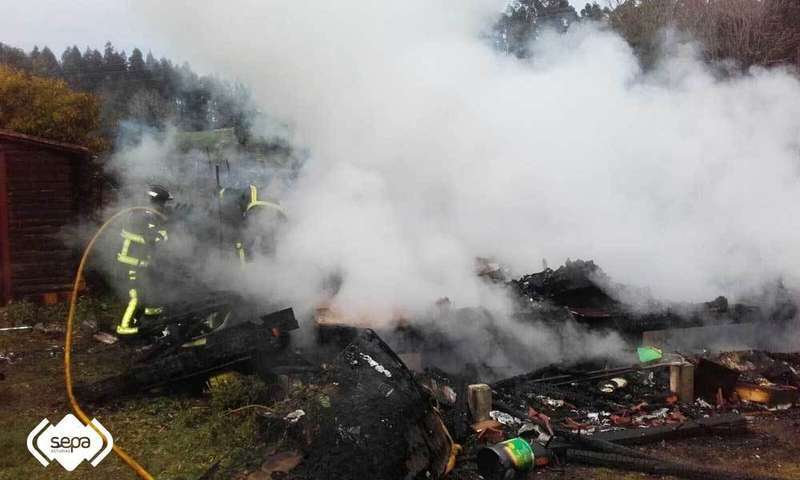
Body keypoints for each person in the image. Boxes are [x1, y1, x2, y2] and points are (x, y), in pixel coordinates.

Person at [115, 184, 172, 336]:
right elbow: (148, 237)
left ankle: (150, 324)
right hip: (131, 263)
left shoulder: (149, 215)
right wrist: (157, 237)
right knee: (136, 296)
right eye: (163, 203)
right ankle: (125, 329)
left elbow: (158, 236)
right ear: (156, 201)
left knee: (150, 294)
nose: (164, 206)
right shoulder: (142, 216)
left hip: (143, 263)